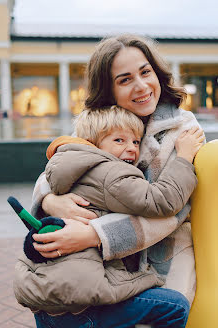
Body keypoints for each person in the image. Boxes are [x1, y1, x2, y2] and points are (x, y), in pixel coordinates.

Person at [29, 34, 204, 328]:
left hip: (162, 252)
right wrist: (49, 199)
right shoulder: (100, 122)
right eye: (125, 79)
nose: (141, 86)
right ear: (108, 89)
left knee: (169, 309)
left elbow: (173, 211)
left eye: (145, 72)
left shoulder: (182, 130)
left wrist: (96, 236)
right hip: (102, 265)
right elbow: (61, 166)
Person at [14, 105, 203, 317]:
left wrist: (47, 199)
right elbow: (161, 201)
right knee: (175, 307)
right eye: (119, 140)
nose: (131, 148)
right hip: (82, 297)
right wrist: (184, 158)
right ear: (94, 144)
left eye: (136, 141)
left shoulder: (68, 163)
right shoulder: (111, 173)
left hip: (48, 288)